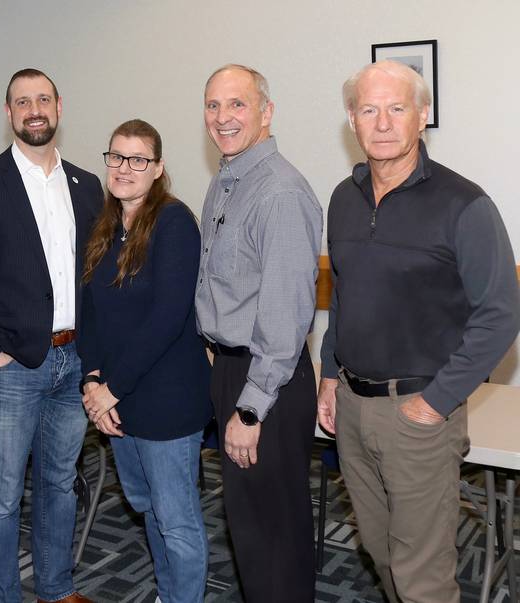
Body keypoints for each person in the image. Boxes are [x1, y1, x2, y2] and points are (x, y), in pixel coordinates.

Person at [317, 60, 520, 603]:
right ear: (352, 122)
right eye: (368, 110)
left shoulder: (465, 205)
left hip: (419, 415)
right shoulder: (343, 198)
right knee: (382, 555)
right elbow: (344, 293)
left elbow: (500, 313)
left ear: (422, 116)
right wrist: (329, 375)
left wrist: (436, 402)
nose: (382, 123)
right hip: (353, 412)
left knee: (423, 577)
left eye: (397, 108)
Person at [0, 68, 102, 603]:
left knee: (60, 484)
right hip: (12, 366)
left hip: (73, 360)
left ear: (59, 106)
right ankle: (3, 596)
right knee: (2, 497)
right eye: (21, 101)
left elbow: (96, 274)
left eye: (43, 99)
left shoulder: (86, 184)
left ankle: (56, 590)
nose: (34, 109)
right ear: (9, 113)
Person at [194, 64, 323, 602]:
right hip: (233, 371)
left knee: (275, 530)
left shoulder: (280, 192)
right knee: (248, 524)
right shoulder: (228, 180)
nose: (223, 118)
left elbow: (285, 313)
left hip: (266, 382)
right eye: (213, 106)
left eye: (237, 104)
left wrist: (250, 410)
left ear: (266, 112)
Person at [80, 119, 213, 603]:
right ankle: (169, 593)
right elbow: (89, 312)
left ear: (157, 168)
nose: (124, 168)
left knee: (176, 518)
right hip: (118, 396)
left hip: (167, 399)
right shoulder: (106, 225)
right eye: (116, 157)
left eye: (138, 160)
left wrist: (110, 390)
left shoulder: (174, 222)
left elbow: (168, 317)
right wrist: (93, 380)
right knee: (146, 506)